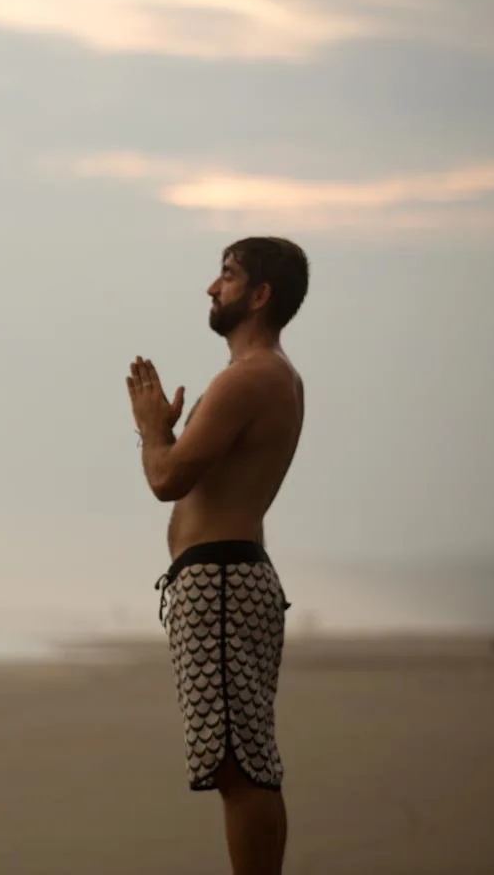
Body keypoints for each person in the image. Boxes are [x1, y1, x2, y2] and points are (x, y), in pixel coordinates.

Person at [125, 236, 309, 875]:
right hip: (228, 578)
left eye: (227, 276)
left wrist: (152, 430)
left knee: (239, 763)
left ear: (260, 295)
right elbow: (194, 476)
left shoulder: (249, 378)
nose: (212, 287)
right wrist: (166, 436)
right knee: (244, 757)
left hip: (223, 583)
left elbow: (166, 480)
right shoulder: (270, 377)